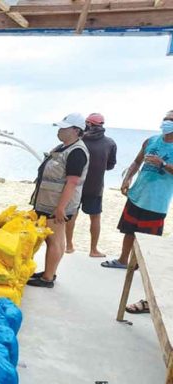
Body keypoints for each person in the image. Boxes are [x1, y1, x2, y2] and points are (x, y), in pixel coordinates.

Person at [101, 110, 173, 314]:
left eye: (171, 120)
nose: (167, 122)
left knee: (148, 241)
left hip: (156, 202)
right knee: (128, 230)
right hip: (137, 195)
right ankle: (123, 260)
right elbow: (137, 161)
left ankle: (144, 271)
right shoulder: (151, 140)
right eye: (166, 118)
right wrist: (127, 178)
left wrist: (163, 164)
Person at [28, 113, 90, 289]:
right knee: (57, 239)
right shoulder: (64, 147)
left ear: (76, 131)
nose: (60, 130)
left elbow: (72, 182)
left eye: (64, 127)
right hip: (51, 200)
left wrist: (61, 208)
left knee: (53, 240)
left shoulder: (77, 152)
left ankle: (47, 278)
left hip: (55, 204)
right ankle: (50, 272)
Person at [65, 113, 117, 257]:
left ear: (87, 124)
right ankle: (93, 250)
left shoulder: (77, 140)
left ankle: (69, 245)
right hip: (95, 186)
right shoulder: (110, 143)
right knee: (95, 217)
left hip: (75, 185)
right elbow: (110, 166)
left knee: (71, 215)